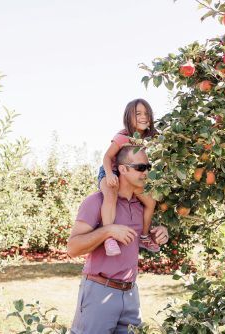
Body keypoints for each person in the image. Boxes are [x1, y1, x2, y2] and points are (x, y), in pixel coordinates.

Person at [67, 145, 169, 334]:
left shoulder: (140, 206)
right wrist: (108, 231)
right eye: (140, 167)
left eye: (148, 167)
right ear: (122, 169)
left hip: (131, 294)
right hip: (99, 292)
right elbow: (72, 248)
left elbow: (139, 240)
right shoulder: (96, 202)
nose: (146, 172)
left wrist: (157, 234)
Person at [98, 98, 159, 256]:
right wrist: (110, 174)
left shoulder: (149, 137)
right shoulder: (122, 136)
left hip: (129, 174)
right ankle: (108, 237)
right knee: (111, 194)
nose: (143, 116)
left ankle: (144, 236)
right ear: (128, 117)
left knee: (150, 201)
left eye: (146, 113)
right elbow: (106, 157)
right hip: (110, 170)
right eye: (138, 113)